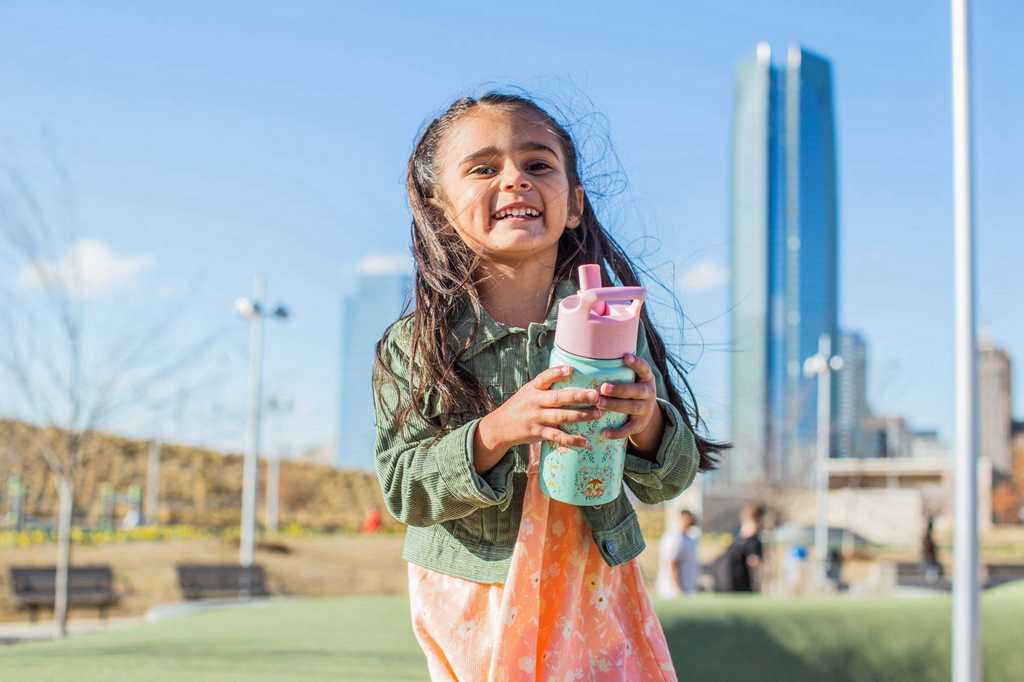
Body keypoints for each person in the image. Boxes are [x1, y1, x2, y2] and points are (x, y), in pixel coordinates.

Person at [372, 92, 727, 681]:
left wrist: (647, 426)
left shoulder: (616, 329)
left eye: (538, 165)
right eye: (484, 168)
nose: (515, 180)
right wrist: (497, 430)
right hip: (479, 590)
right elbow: (402, 488)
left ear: (574, 206)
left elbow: (672, 478)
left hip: (593, 580)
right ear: (439, 212)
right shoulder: (416, 345)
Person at [713, 503, 765, 593]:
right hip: (736, 578)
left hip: (724, 575)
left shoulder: (737, 534)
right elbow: (754, 561)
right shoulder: (752, 540)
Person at [656, 509, 700, 598]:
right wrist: (678, 589)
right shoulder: (674, 538)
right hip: (672, 592)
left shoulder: (688, 538)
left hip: (687, 588)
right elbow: (673, 563)